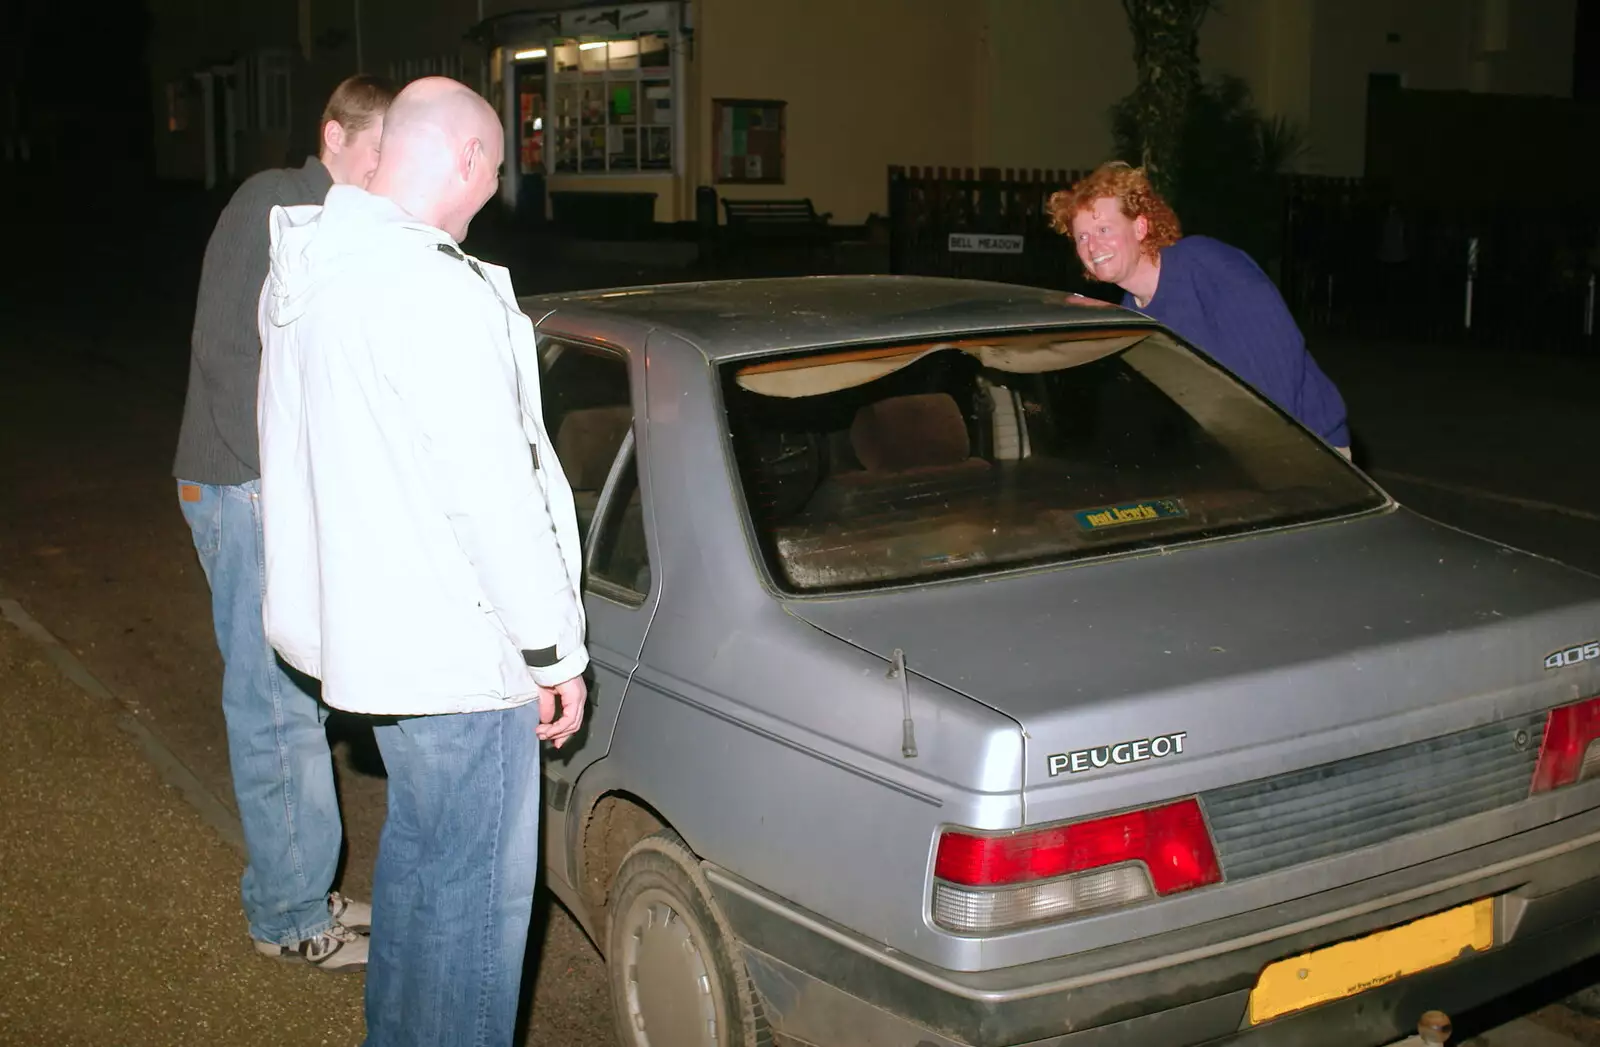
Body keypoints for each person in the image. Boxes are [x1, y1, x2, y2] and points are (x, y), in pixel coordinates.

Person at [255, 76, 589, 1046]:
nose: (491, 191)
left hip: (379, 637)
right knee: (474, 911)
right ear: (468, 160)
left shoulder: (315, 268)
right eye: (494, 168)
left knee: (419, 872)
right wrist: (548, 651)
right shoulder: (431, 289)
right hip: (453, 651)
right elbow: (490, 491)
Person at [172, 73, 396, 972]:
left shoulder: (339, 223)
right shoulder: (274, 202)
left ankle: (301, 882)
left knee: (292, 698)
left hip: (262, 488)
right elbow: (228, 354)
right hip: (242, 487)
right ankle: (290, 917)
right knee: (274, 707)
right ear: (333, 135)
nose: (381, 172)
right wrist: (273, 490)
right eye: (373, 152)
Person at [1047, 162, 1352, 457]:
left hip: (1309, 450)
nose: (1092, 246)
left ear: (1140, 227)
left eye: (1103, 229)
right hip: (1231, 460)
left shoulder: (1205, 265)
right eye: (1082, 236)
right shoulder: (1131, 315)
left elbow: (1278, 365)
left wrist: (1265, 466)